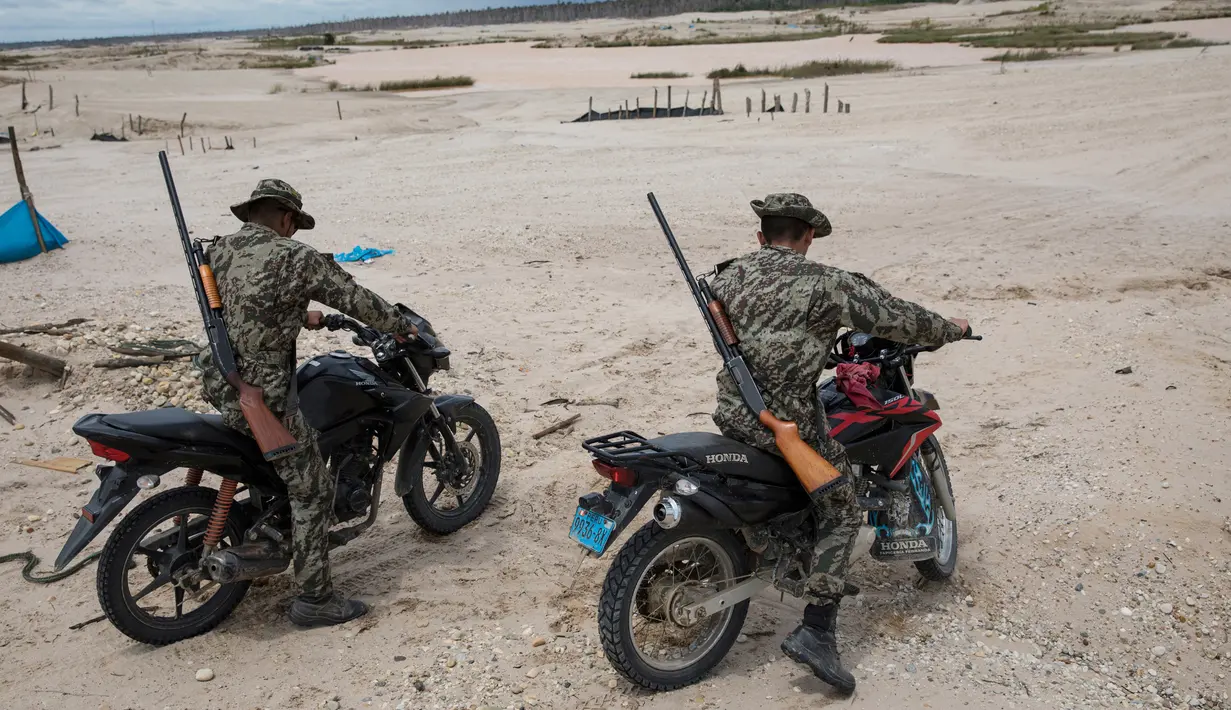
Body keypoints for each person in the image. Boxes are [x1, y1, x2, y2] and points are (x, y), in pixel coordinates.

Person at [710, 193, 969, 693]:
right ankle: (817, 631)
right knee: (843, 509)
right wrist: (951, 329)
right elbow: (899, 318)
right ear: (807, 236)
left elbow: (759, 343)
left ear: (760, 236)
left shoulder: (726, 277)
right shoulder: (827, 283)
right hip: (788, 425)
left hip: (733, 416)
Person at [198, 179, 416, 627]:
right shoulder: (295, 256)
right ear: (287, 217)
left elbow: (240, 309)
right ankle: (315, 601)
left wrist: (301, 316)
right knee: (314, 487)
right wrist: (399, 325)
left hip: (221, 380)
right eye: (295, 224)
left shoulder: (219, 252)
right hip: (265, 393)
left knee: (281, 464)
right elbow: (355, 299)